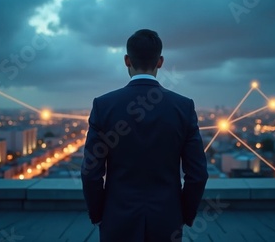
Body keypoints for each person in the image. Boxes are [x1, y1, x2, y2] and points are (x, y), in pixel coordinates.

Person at [81, 29, 208, 241]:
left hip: (117, 220)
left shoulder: (104, 106)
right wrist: (184, 215)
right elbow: (197, 174)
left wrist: (98, 215)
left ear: (126, 60)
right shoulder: (183, 107)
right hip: (167, 221)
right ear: (160, 62)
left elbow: (90, 172)